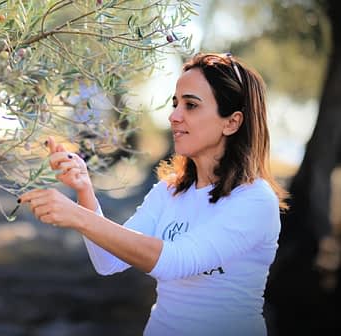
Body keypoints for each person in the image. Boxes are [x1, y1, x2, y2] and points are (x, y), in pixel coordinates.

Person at [19, 52, 289, 336]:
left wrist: (75, 215)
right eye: (175, 104)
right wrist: (84, 190)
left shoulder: (255, 200)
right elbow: (108, 261)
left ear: (232, 122)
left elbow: (172, 262)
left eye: (191, 105)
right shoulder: (169, 191)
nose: (174, 116)